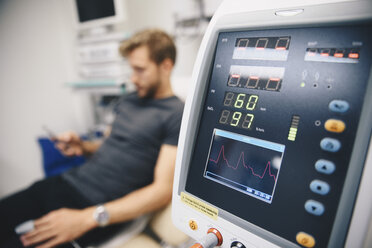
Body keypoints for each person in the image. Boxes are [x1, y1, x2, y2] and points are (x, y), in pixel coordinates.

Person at [0, 28, 184, 248]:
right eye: (130, 69)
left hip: (87, 206)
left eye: (140, 69)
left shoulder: (176, 114)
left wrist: (88, 217)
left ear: (166, 66)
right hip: (63, 182)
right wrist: (83, 146)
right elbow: (112, 146)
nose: (133, 78)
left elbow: (162, 191)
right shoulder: (129, 100)